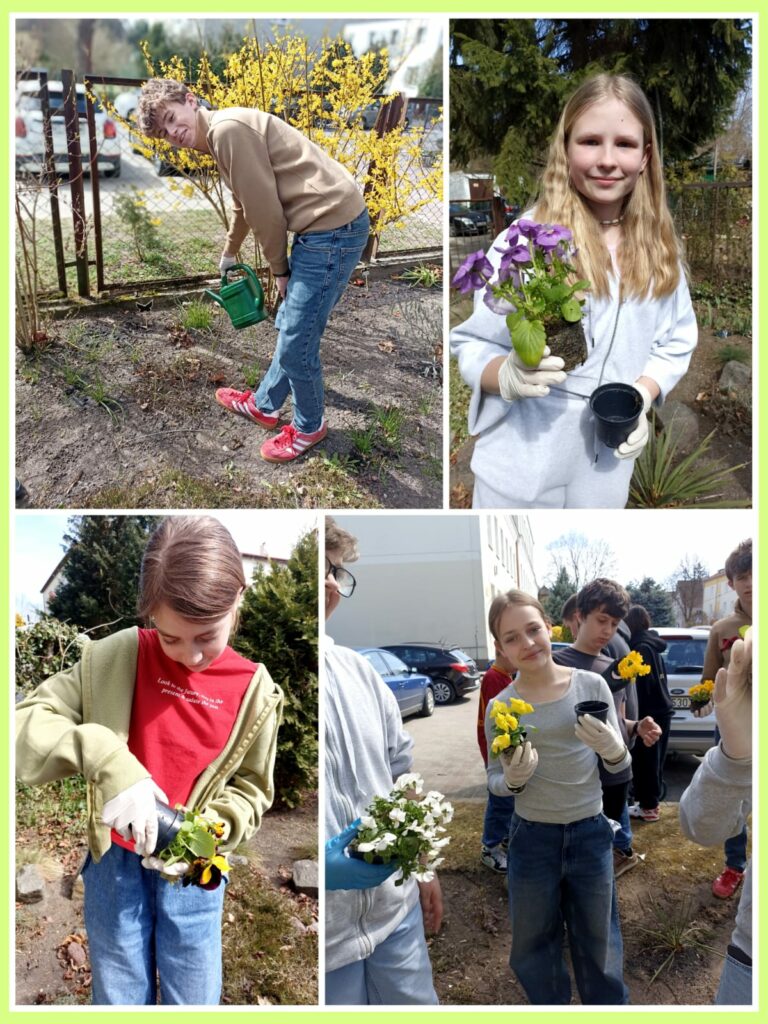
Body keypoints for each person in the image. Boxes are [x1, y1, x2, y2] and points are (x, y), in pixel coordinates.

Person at [15, 516, 284, 1005]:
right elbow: (23, 725)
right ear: (150, 616)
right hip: (114, 863)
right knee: (119, 995)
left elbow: (251, 789)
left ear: (238, 598)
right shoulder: (115, 658)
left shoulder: (255, 691)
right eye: (170, 638)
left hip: (195, 865)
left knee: (193, 996)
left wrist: (210, 831)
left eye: (206, 636)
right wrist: (109, 760)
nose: (190, 657)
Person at [450, 73, 697, 508]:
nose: (607, 160)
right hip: (521, 464)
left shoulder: (659, 252)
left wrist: (641, 395)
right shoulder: (526, 242)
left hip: (604, 469)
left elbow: (676, 342)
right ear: (565, 149)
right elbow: (473, 343)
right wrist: (507, 375)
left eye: (624, 144)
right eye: (590, 142)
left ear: (645, 156)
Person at [136, 80, 370, 464]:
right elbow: (243, 204)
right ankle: (264, 405)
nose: (173, 132)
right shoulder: (219, 135)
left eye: (172, 118)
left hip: (332, 227)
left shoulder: (227, 131)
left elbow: (265, 211)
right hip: (323, 226)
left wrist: (280, 269)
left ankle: (309, 426)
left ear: (190, 101)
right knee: (293, 327)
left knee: (297, 339)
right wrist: (230, 251)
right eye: (164, 131)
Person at [485, 589, 630, 1004]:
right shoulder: (501, 706)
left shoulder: (591, 685)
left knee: (599, 943)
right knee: (533, 944)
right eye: (512, 638)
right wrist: (512, 781)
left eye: (533, 629)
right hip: (532, 838)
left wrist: (615, 751)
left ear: (550, 628)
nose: (528, 643)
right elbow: (494, 779)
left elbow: (621, 764)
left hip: (590, 832)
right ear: (501, 648)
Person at [324, 518, 441, 1005]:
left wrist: (423, 865)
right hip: (327, 944)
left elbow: (401, 771)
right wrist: (320, 869)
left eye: (336, 571)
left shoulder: (361, 673)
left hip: (396, 913)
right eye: (321, 568)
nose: (332, 584)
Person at [552, 579, 661, 877]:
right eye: (601, 620)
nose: (608, 631)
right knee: (576, 857)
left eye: (614, 624)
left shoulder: (616, 666)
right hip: (575, 777)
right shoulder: (556, 664)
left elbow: (617, 721)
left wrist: (637, 727)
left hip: (614, 776)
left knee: (603, 858)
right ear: (579, 616)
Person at [680, 627, 752, 1005]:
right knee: (732, 810)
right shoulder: (725, 628)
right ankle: (735, 864)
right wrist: (735, 757)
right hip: (753, 952)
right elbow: (699, 826)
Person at [699, 538, 752, 900]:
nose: (750, 583)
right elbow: (708, 680)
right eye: (742, 576)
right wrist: (701, 702)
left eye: (755, 574)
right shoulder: (722, 629)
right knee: (734, 801)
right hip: (734, 731)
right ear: (731, 582)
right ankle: (735, 865)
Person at [624, 604, 673, 822]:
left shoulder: (641, 649)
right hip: (662, 710)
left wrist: (636, 718)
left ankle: (648, 807)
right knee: (655, 761)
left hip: (650, 714)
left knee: (646, 762)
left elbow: (642, 687)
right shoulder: (653, 646)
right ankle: (650, 804)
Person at [476, 651, 515, 873]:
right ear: (501, 649)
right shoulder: (493, 678)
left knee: (510, 801)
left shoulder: (506, 676)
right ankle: (490, 848)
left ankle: (506, 837)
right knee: (500, 801)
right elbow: (494, 724)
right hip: (497, 753)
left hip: (506, 751)